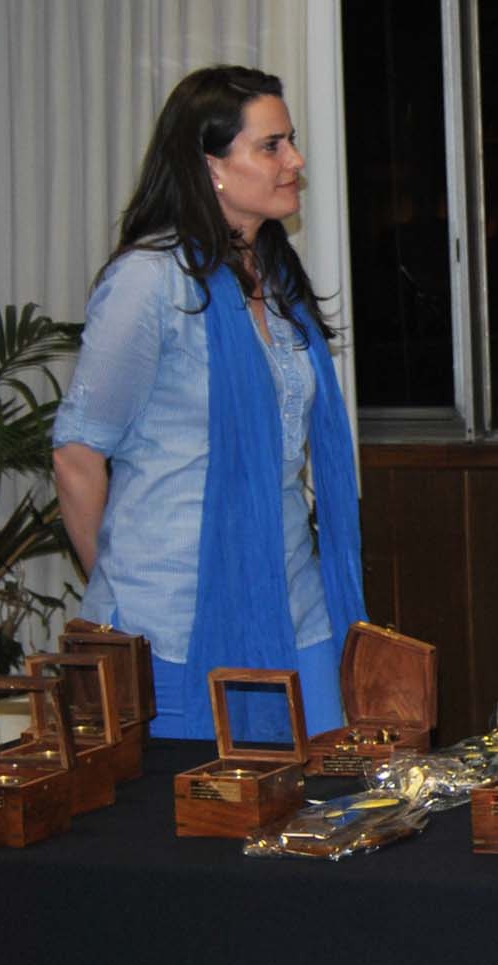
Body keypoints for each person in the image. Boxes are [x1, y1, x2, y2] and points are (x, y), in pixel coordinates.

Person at [53, 65, 366, 740]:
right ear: (211, 166)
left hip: (293, 601)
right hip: (174, 616)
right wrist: (122, 587)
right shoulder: (148, 282)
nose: (295, 160)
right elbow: (78, 455)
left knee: (323, 789)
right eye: (272, 146)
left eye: (291, 141)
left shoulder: (276, 278)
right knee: (194, 803)